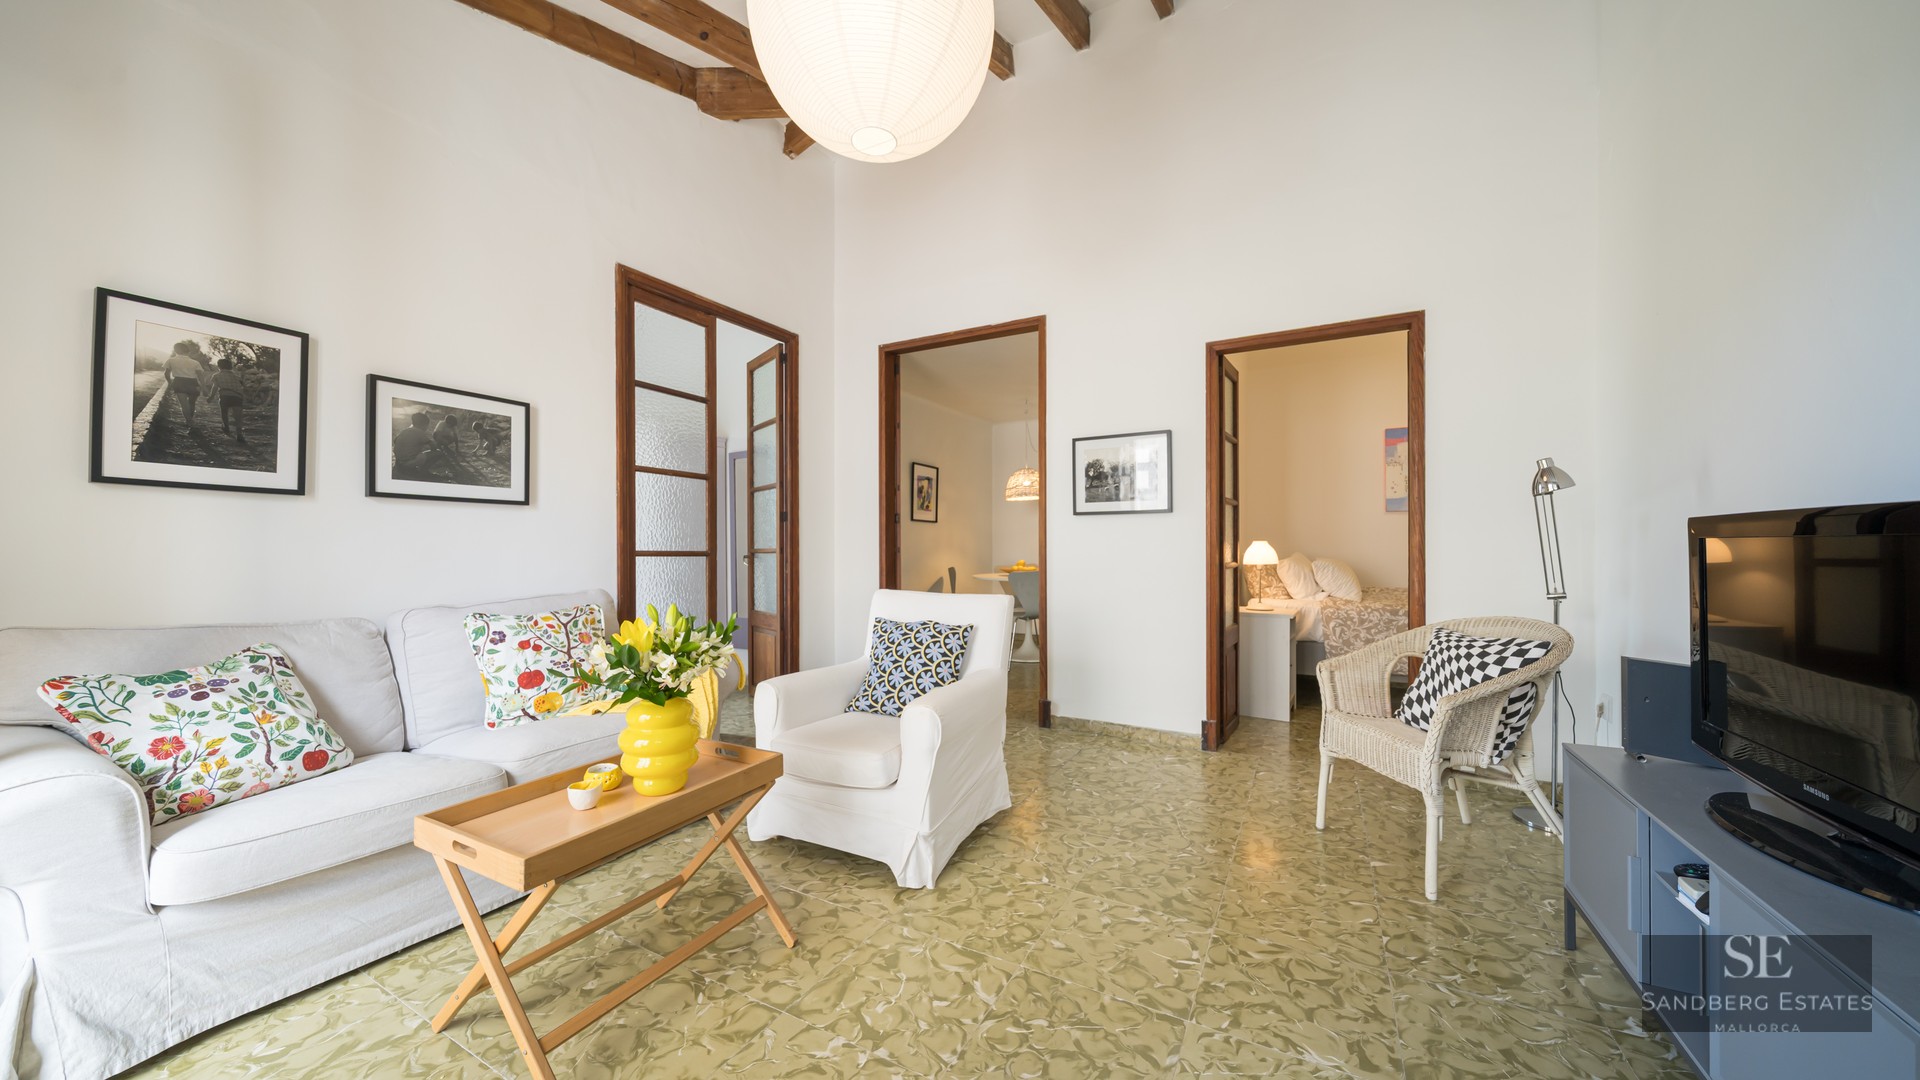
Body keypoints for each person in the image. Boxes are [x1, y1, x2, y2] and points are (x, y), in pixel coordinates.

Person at [164, 341, 209, 427]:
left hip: (179, 382)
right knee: (191, 403)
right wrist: (204, 388)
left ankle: (189, 421)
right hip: (193, 383)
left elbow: (166, 374)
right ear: (188, 351)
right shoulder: (195, 362)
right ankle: (190, 420)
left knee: (184, 404)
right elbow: (200, 376)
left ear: (175, 351)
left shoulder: (171, 360)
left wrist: (170, 383)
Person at [393, 412, 438, 478]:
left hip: (398, 462)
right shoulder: (420, 432)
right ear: (424, 425)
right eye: (427, 425)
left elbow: (395, 441)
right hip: (408, 463)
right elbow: (434, 447)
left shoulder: (405, 430)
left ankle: (407, 467)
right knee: (438, 453)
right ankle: (423, 471)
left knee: (415, 451)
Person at [213, 357, 247, 444]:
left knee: (224, 412)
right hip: (237, 397)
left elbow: (215, 387)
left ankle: (226, 427)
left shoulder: (216, 375)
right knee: (238, 417)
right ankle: (239, 434)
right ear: (230, 367)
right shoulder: (236, 376)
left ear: (219, 366)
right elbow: (244, 386)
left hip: (224, 396)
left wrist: (211, 396)